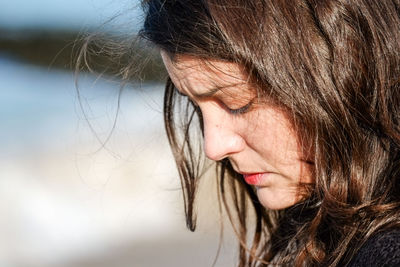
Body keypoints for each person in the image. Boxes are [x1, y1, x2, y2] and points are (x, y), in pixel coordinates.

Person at [138, 0, 400, 266]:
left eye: (237, 104)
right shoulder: (324, 226)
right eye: (196, 105)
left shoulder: (386, 253)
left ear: (345, 66)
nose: (213, 147)